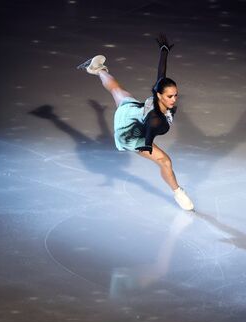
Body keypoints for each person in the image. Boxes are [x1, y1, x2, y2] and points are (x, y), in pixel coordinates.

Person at [77, 34, 194, 211]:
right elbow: (149, 135)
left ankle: (97, 69)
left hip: (130, 111)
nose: (174, 99)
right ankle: (178, 193)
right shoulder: (155, 118)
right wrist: (147, 145)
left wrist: (164, 51)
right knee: (165, 162)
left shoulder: (158, 92)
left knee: (117, 90)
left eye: (175, 95)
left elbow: (161, 74)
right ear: (159, 95)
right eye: (170, 96)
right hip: (130, 133)